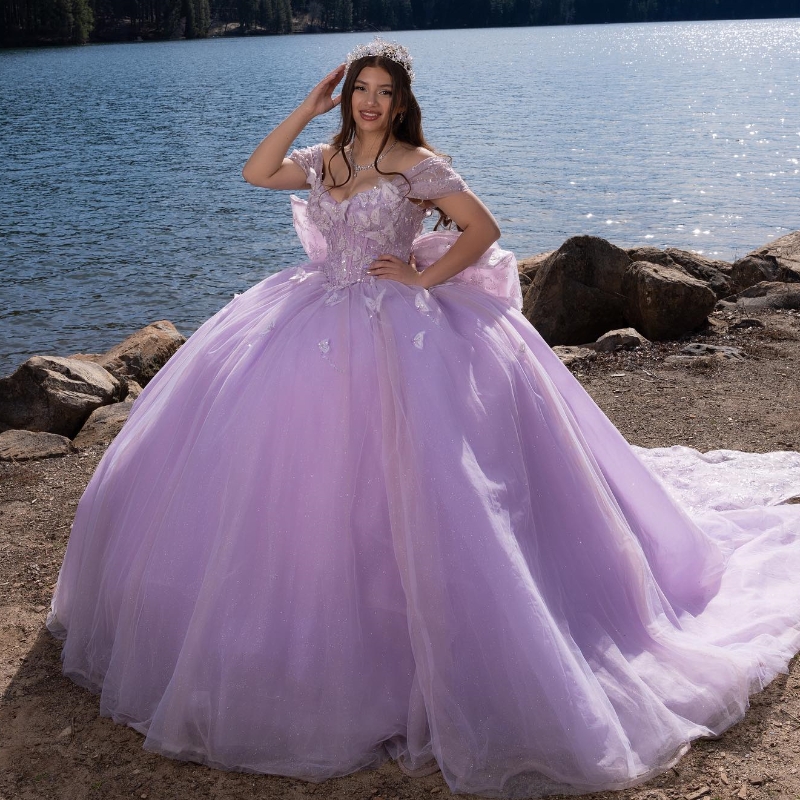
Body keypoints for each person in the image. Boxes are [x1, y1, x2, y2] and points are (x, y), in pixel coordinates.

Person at [47, 38, 800, 799]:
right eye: (359, 91)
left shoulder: (416, 165)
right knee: (296, 479)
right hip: (309, 313)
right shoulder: (326, 156)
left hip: (392, 324)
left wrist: (420, 276)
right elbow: (255, 172)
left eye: (381, 92)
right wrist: (306, 109)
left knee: (424, 484)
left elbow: (484, 229)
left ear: (400, 102)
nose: (369, 102)